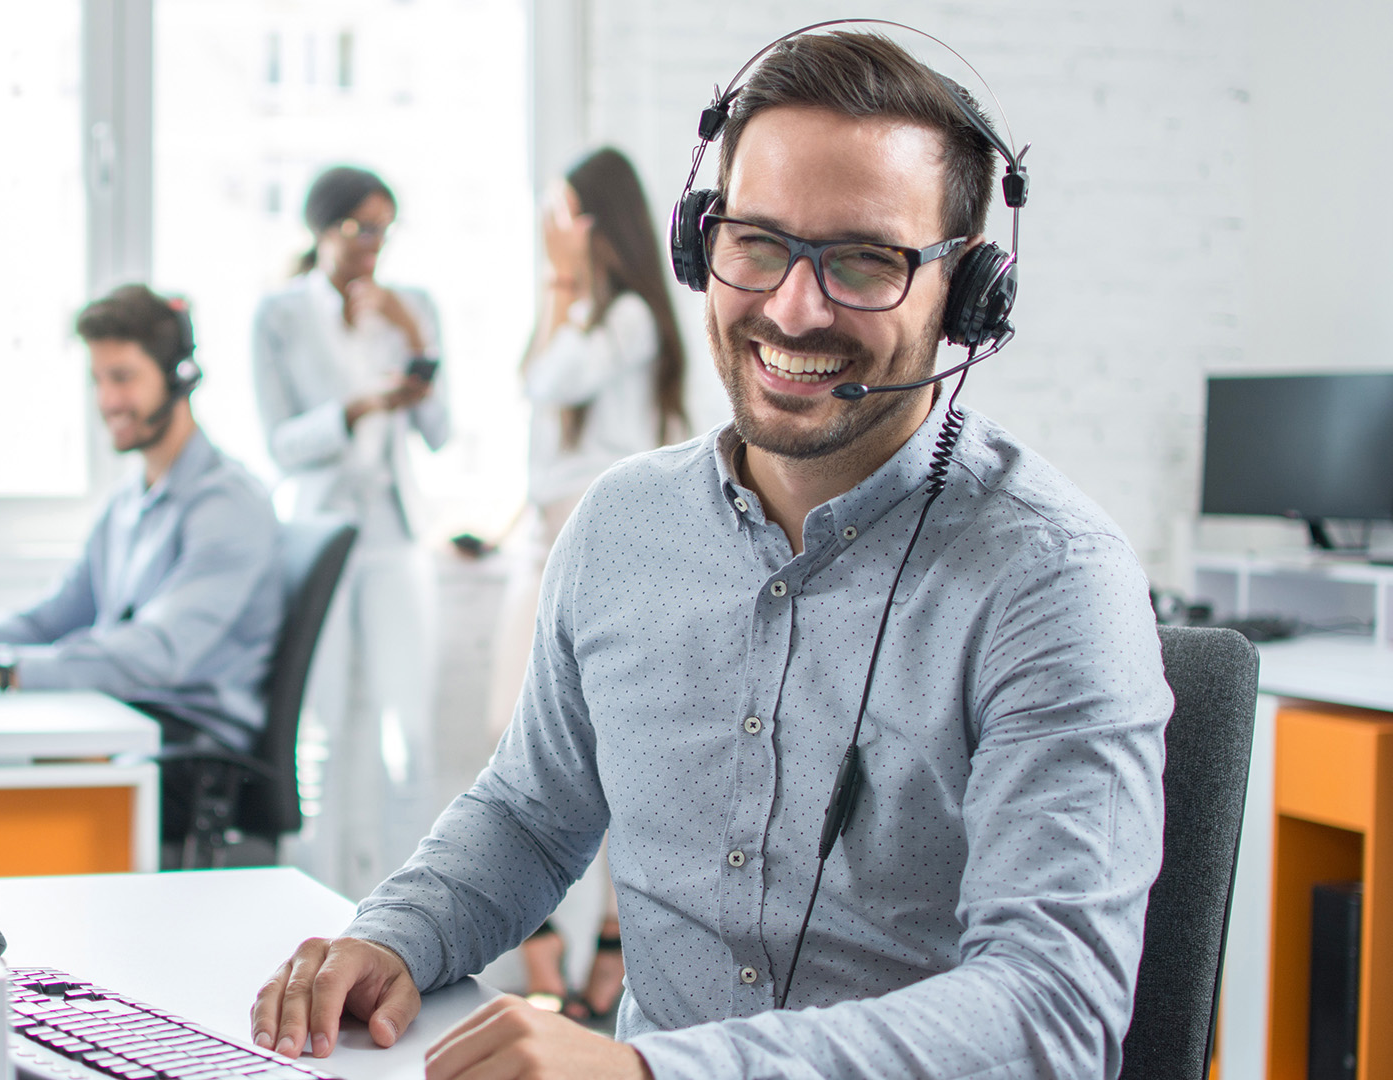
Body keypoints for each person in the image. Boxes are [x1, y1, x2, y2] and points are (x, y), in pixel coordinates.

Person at [250, 30, 1169, 1080]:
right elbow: (528, 813)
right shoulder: (622, 528)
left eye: (864, 261)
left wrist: (653, 1073)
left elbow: (1055, 1012)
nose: (792, 307)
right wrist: (395, 935)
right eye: (758, 243)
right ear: (701, 244)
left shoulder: (1052, 580)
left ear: (967, 296)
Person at [0, 284, 283, 848]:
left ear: (179, 376)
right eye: (98, 379)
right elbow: (51, 619)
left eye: (124, 377)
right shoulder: (128, 501)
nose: (107, 400)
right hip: (127, 726)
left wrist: (6, 671)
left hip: (191, 758)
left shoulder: (228, 506)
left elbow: (158, 652)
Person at [489, 146, 688, 1024]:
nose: (554, 234)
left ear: (600, 223)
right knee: (516, 743)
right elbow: (533, 392)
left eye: (566, 215)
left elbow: (551, 379)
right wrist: (557, 291)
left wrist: (563, 290)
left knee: (610, 751)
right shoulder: (582, 314)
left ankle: (605, 942)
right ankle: (542, 949)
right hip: (539, 542)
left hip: (600, 549)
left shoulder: (635, 319)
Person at [252, 166, 450, 900]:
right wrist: (359, 407)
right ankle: (311, 907)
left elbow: (439, 428)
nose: (372, 246)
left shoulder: (413, 306)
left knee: (409, 739)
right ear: (321, 229)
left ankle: (418, 914)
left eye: (383, 231)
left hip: (394, 535)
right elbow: (281, 443)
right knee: (320, 734)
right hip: (319, 534)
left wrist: (410, 336)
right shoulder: (279, 315)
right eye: (359, 229)